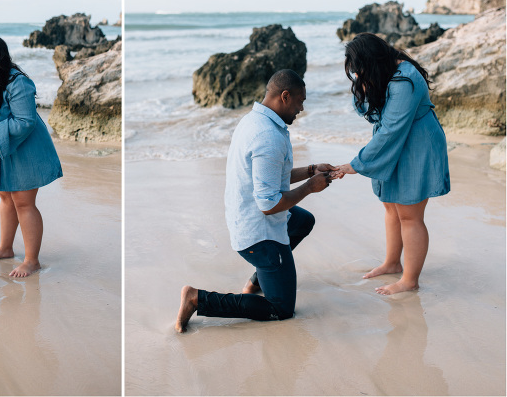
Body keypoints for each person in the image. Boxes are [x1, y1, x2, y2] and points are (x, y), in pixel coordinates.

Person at [176, 69, 337, 332]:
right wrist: (310, 187)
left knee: (302, 220)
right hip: (258, 234)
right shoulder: (268, 137)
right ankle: (197, 298)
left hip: (244, 215)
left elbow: (273, 178)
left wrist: (311, 170)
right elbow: (268, 204)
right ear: (285, 96)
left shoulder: (255, 120)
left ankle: (257, 281)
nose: (302, 108)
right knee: (281, 310)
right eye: (300, 101)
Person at [334, 33, 450, 295]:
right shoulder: (383, 72)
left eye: (360, 69)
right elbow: (373, 114)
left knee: (410, 215)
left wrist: (356, 164)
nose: (359, 75)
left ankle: (410, 280)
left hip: (417, 144)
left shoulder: (404, 80)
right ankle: (392, 262)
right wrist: (363, 90)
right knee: (390, 205)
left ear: (372, 61)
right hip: (396, 141)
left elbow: (390, 130)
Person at [0, 33, 63, 278]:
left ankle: (32, 261)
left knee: (23, 203)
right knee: (6, 199)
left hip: (26, 150)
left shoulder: (19, 83)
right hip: (0, 150)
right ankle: (6, 248)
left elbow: (26, 122)